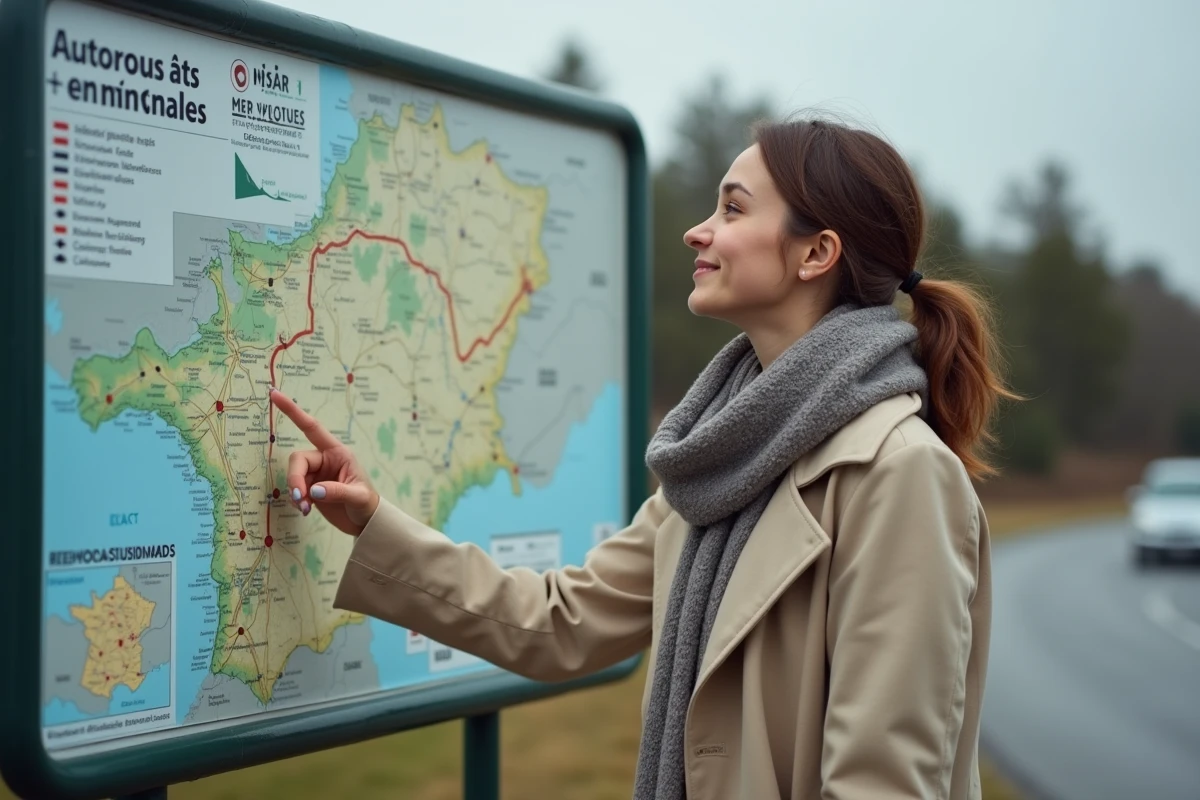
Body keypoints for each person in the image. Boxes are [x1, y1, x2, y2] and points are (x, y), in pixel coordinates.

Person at [269, 114, 1014, 800]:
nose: (698, 232)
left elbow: (882, 786)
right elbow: (558, 622)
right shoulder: (718, 460)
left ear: (817, 253)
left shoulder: (901, 474)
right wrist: (374, 522)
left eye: (732, 209)